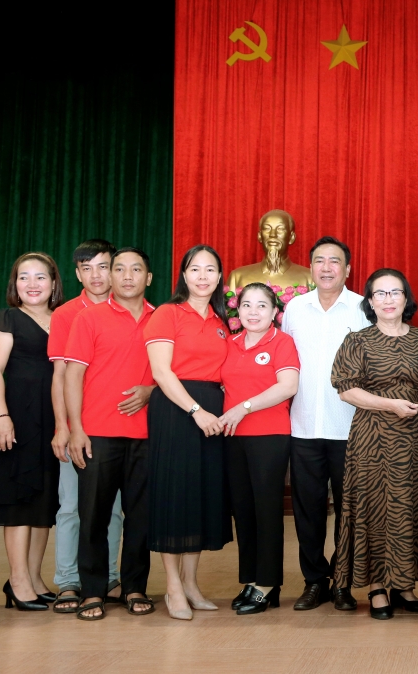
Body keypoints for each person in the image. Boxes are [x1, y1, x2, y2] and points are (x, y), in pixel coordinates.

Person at [332, 269, 418, 619]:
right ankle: (377, 586)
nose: (388, 299)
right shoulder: (357, 341)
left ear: (406, 298)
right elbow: (347, 390)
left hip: (417, 437)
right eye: (380, 293)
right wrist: (390, 405)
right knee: (375, 508)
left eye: (395, 292)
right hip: (373, 438)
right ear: (370, 302)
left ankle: (404, 585)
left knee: (410, 508)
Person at [64, 248, 157, 620]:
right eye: (119, 269)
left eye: (136, 269)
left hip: (147, 435)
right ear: (111, 276)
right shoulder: (89, 318)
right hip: (97, 434)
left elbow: (175, 373)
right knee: (93, 516)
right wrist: (76, 429)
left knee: (141, 517)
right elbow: (72, 376)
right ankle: (92, 590)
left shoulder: (161, 319)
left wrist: (151, 391)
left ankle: (134, 587)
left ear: (148, 277)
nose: (127, 276)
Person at [281, 236, 370, 611]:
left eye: (335, 261)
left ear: (347, 269)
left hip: (350, 428)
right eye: (319, 260)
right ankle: (314, 581)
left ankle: (343, 581)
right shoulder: (295, 309)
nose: (327, 267)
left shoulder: (362, 308)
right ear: (310, 268)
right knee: (308, 512)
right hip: (303, 427)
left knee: (348, 512)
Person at [144, 244, 232, 620]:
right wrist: (195, 410)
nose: (202, 276)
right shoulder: (167, 313)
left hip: (212, 413)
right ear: (183, 275)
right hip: (177, 410)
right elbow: (161, 372)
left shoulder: (221, 321)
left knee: (200, 497)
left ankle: (192, 584)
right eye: (195, 269)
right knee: (174, 495)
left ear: (219, 276)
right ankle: (173, 587)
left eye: (210, 269)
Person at [47, 240, 126, 613]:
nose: (96, 275)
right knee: (71, 507)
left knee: (112, 509)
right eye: (87, 268)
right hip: (78, 427)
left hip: (116, 430)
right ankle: (68, 581)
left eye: (103, 266)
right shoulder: (66, 314)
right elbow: (61, 375)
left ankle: (108, 576)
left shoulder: (130, 309)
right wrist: (62, 426)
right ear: (77, 274)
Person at [0, 252, 64, 610]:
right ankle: (17, 581)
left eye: (40, 277)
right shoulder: (8, 318)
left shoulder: (63, 319)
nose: (32, 284)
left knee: (43, 500)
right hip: (18, 420)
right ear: (14, 284)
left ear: (54, 283)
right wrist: (0, 416)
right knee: (19, 498)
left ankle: (33, 576)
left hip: (53, 421)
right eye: (24, 277)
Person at [218, 283, 300, 615]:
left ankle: (268, 583)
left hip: (269, 436)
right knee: (243, 510)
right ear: (237, 310)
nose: (253, 312)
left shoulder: (282, 342)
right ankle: (251, 579)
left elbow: (288, 386)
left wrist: (244, 407)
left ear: (274, 312)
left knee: (266, 510)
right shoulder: (230, 343)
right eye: (247, 305)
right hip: (233, 437)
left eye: (262, 305)